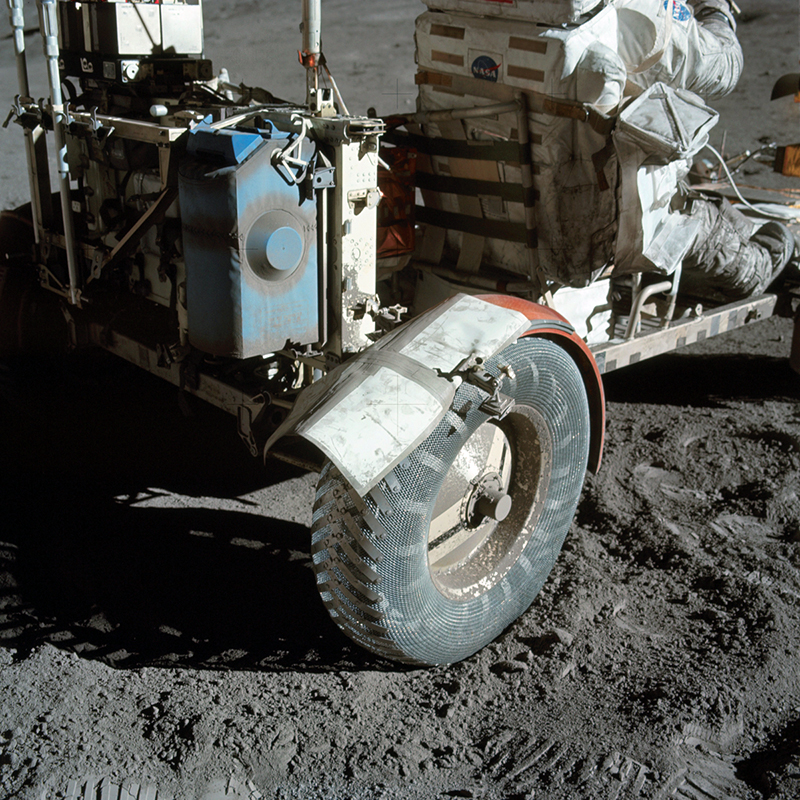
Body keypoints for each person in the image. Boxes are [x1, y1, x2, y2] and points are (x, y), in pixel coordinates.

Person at [616, 0, 796, 301]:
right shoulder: (628, 12)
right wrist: (714, 9)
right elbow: (720, 64)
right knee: (763, 257)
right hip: (631, 217)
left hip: (527, 214)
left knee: (729, 222)